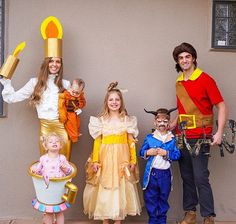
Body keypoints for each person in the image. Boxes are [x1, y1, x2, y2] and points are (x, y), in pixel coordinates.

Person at [172, 42, 227, 224]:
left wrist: (218, 132)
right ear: (178, 62)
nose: (184, 60)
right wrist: (172, 124)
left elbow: (221, 106)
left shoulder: (206, 79)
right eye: (181, 58)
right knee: (186, 176)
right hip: (182, 135)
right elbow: (183, 110)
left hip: (201, 136)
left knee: (200, 177)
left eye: (187, 56)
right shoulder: (179, 81)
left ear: (194, 58)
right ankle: (190, 213)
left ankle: (208, 216)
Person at [83, 82, 141, 224]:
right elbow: (97, 142)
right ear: (106, 102)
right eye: (111, 100)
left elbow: (131, 142)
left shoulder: (127, 121)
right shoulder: (100, 121)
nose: (114, 102)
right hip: (105, 159)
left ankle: (118, 220)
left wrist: (133, 160)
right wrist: (95, 160)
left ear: (121, 102)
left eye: (117, 99)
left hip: (122, 159)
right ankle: (105, 220)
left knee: (121, 187)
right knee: (105, 186)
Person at [0, 57, 72, 159]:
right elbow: (12, 98)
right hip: (45, 128)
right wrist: (7, 83)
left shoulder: (66, 84)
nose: (54, 64)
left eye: (58, 62)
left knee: (64, 164)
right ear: (46, 63)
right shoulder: (34, 82)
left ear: (61, 64)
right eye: (51, 61)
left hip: (62, 128)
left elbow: (72, 107)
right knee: (46, 163)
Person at [140, 108, 181, 224]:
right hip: (152, 174)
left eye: (165, 121)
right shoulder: (149, 138)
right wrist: (148, 152)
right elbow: (141, 152)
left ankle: (162, 220)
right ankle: (152, 220)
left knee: (163, 198)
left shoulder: (172, 139)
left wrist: (167, 153)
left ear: (169, 123)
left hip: (165, 175)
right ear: (155, 122)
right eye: (159, 121)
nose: (162, 124)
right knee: (151, 198)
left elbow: (177, 155)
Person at [31, 132, 72, 224]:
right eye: (51, 141)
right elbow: (39, 171)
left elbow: (69, 172)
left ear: (60, 145)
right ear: (45, 146)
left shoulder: (62, 158)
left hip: (59, 189)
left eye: (57, 141)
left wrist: (65, 168)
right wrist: (34, 170)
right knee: (48, 212)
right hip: (48, 188)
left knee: (59, 211)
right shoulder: (43, 159)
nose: (54, 143)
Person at [58, 78, 86, 143]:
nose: (74, 94)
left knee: (77, 123)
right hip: (66, 111)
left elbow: (83, 103)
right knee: (71, 124)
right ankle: (74, 136)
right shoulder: (67, 93)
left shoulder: (80, 96)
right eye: (73, 91)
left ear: (81, 91)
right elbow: (61, 98)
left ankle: (76, 133)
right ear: (70, 88)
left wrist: (79, 106)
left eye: (77, 93)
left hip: (73, 112)